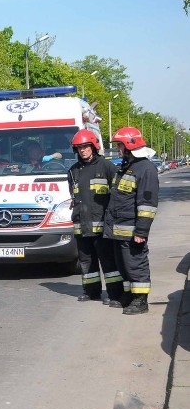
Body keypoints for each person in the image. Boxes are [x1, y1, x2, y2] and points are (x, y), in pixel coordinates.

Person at [104, 127, 159, 315]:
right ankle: (129, 295)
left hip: (133, 230)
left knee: (136, 265)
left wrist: (141, 232)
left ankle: (141, 300)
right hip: (119, 230)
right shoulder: (127, 167)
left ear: (129, 145)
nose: (118, 149)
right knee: (124, 265)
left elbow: (147, 204)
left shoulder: (146, 169)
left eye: (120, 145)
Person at [67, 129, 122, 306]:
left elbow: (118, 195)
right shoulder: (73, 171)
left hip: (102, 227)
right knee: (86, 262)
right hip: (81, 226)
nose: (83, 150)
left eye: (85, 146)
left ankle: (115, 294)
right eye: (79, 148)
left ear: (93, 146)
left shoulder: (107, 167)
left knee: (108, 262)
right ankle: (92, 292)